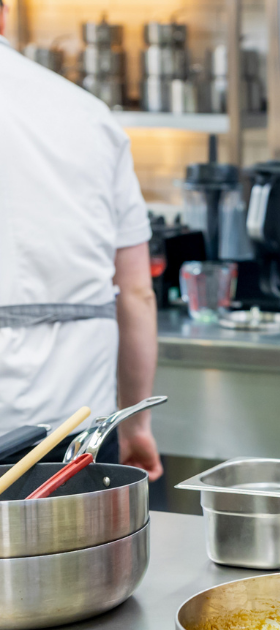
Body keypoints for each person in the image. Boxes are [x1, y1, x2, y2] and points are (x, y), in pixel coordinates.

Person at [0, 5, 163, 480]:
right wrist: (136, 424)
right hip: (73, 431)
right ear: (5, 19)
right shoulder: (89, 115)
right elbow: (136, 292)